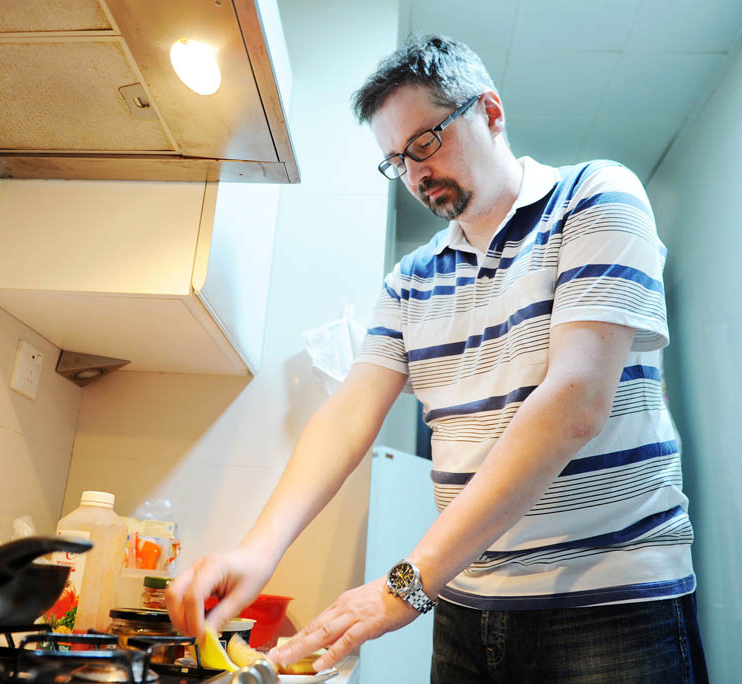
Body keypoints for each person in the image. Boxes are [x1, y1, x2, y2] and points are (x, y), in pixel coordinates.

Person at [165, 34, 708, 683]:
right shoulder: (411, 279)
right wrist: (258, 550)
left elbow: (576, 403)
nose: (416, 173)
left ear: (490, 112)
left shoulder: (595, 198)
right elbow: (346, 419)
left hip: (607, 602)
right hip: (463, 605)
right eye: (396, 160)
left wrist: (405, 585)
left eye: (424, 143)